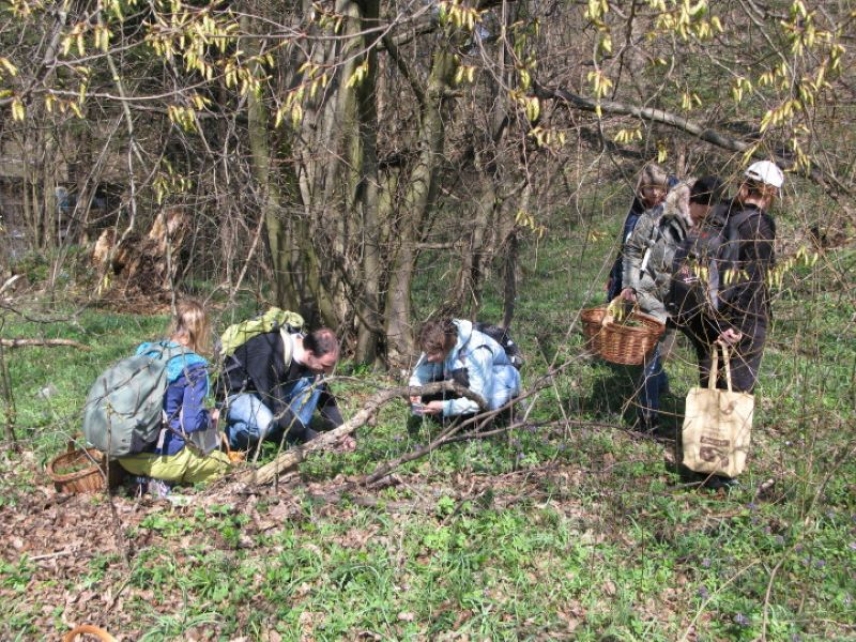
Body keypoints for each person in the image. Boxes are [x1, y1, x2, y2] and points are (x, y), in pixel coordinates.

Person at [685, 161, 783, 393]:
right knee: (735, 393)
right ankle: (723, 430)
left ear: (744, 185)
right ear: (771, 195)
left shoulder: (719, 212)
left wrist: (717, 322)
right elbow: (754, 280)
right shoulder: (759, 225)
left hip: (708, 314)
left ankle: (704, 430)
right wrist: (736, 326)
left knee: (712, 385)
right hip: (742, 320)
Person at [118, 299, 231, 496]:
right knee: (223, 464)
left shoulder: (146, 351)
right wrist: (209, 418)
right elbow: (191, 425)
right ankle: (161, 480)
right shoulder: (194, 367)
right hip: (163, 458)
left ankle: (141, 478)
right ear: (201, 332)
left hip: (125, 453)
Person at [620, 178, 695, 432]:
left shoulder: (707, 228)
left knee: (659, 356)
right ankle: (648, 417)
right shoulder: (655, 219)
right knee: (649, 356)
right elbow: (631, 250)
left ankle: (661, 387)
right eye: (688, 200)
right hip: (651, 298)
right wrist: (629, 286)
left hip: (682, 303)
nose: (691, 206)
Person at [218, 325, 355, 452]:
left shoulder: (304, 350)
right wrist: (314, 439)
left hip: (268, 393)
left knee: (317, 379)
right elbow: (277, 406)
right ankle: (226, 442)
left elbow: (324, 396)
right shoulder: (267, 352)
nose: (328, 371)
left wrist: (342, 430)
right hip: (236, 394)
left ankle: (289, 439)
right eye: (325, 366)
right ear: (310, 355)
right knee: (264, 423)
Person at [408, 318, 521, 422]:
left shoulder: (476, 353)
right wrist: (415, 390)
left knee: (462, 379)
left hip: (500, 382)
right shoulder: (438, 340)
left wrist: (445, 407)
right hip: (463, 376)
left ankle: (503, 414)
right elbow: (420, 373)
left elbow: (480, 399)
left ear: (445, 347)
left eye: (432, 354)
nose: (429, 358)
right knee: (429, 395)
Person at [606, 163, 675, 301]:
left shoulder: (670, 214)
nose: (655, 193)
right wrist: (613, 274)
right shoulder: (635, 214)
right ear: (642, 189)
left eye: (659, 188)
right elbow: (627, 245)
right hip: (630, 272)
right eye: (650, 188)